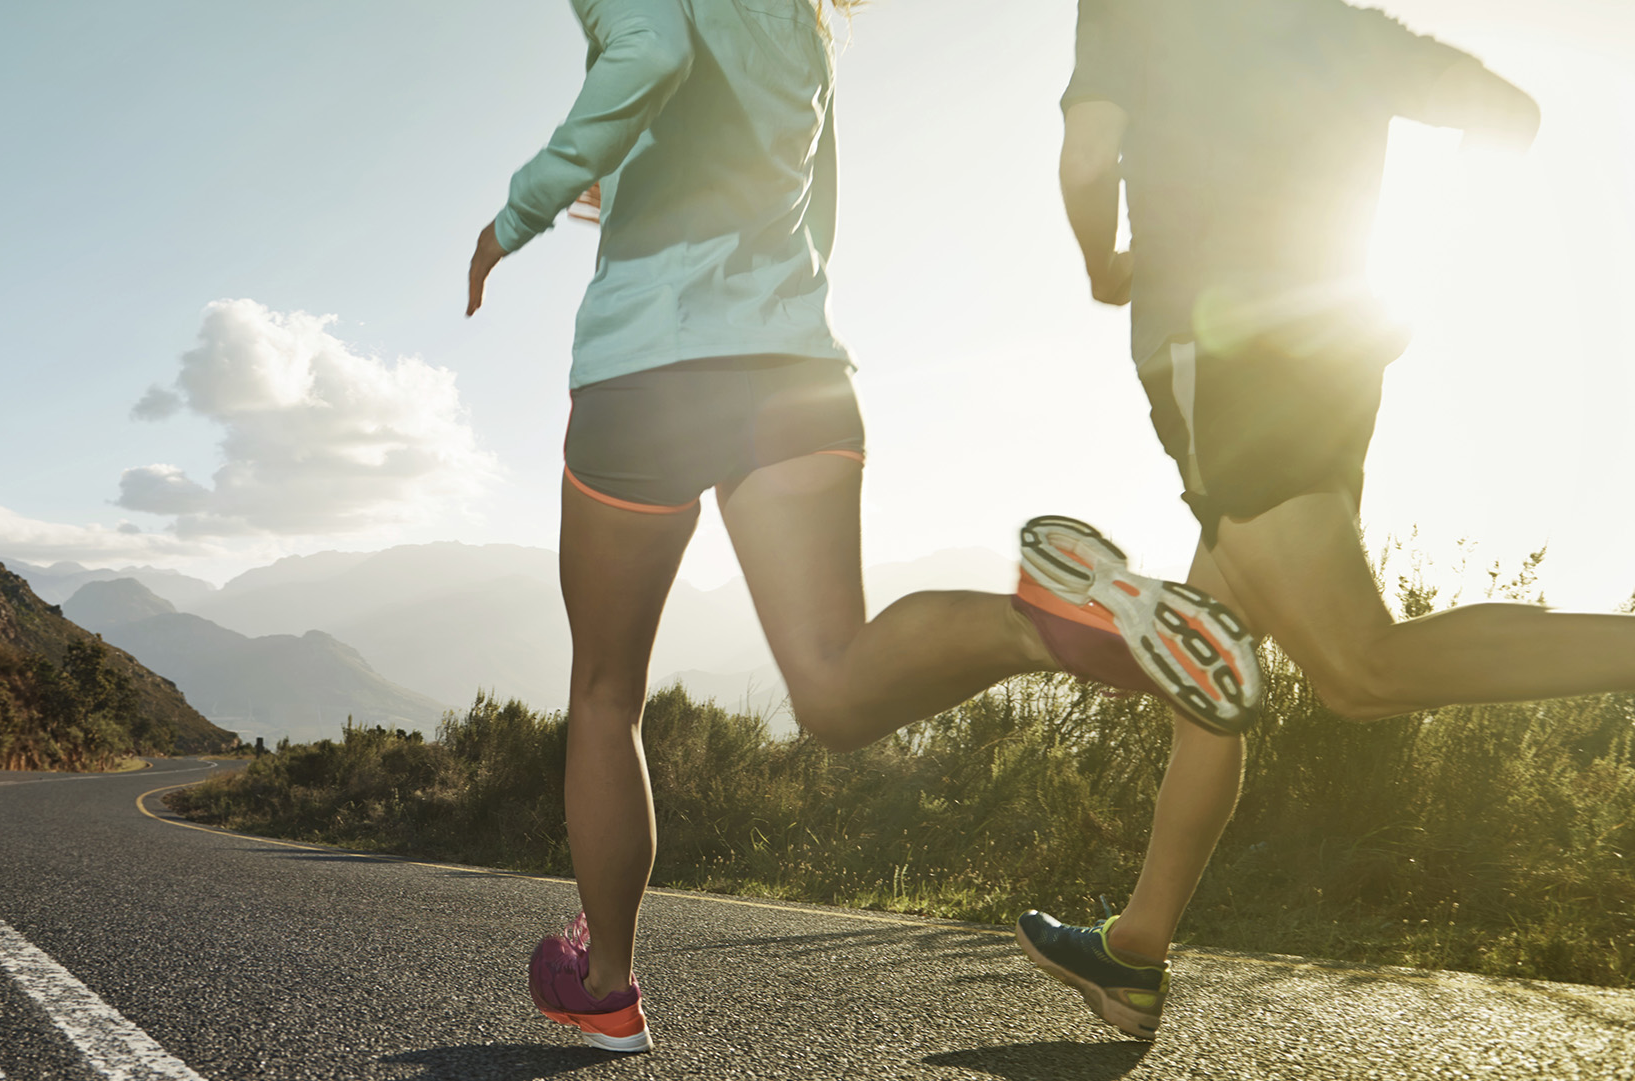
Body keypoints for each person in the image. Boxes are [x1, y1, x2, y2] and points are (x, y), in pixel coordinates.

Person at [468, 0, 1265, 1053]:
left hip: (645, 370)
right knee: (838, 686)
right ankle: (1040, 619)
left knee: (606, 691)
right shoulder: (804, 19)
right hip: (795, 364)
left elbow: (652, 48)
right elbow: (812, 210)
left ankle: (605, 982)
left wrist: (519, 212)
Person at [1022, 0, 1635, 1041]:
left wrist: (1104, 261)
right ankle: (1134, 953)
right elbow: (1507, 111)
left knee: (1359, 672)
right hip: (1336, 356)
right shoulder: (1336, 22)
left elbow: (1088, 159)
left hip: (1226, 355)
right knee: (1206, 672)